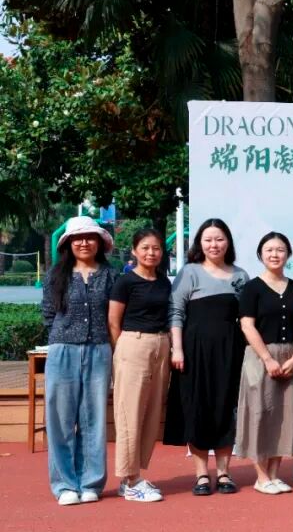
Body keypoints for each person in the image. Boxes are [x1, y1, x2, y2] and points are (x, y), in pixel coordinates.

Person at [164, 218, 249, 496]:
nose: (214, 245)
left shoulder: (240, 275)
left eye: (219, 239)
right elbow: (176, 312)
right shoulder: (189, 272)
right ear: (200, 243)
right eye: (208, 240)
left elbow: (247, 318)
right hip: (194, 352)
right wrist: (177, 349)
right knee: (197, 408)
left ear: (228, 243)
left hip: (231, 352)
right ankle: (201, 474)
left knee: (226, 408)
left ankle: (224, 473)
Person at [42, 216, 117, 506]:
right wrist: (62, 337)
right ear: (68, 244)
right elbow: (48, 313)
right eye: (77, 238)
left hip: (99, 349)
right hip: (63, 351)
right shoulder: (56, 275)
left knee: (93, 419)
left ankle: (90, 483)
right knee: (60, 419)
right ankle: (64, 485)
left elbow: (116, 316)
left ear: (99, 242)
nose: (84, 243)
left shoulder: (110, 276)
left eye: (89, 237)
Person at [236, 232, 293, 495]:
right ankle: (261, 476)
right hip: (260, 356)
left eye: (280, 250)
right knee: (259, 413)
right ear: (260, 254)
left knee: (284, 415)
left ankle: (274, 474)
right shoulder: (252, 287)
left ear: (288, 254)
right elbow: (247, 325)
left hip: (290, 357)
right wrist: (267, 358)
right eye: (269, 250)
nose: (275, 254)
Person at [107, 227, 170, 503]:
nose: (151, 253)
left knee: (151, 413)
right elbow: (113, 322)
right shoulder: (125, 282)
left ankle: (131, 477)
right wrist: (123, 351)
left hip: (161, 345)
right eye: (145, 247)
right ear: (134, 251)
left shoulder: (164, 282)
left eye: (156, 248)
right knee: (129, 413)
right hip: (133, 344)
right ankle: (131, 481)